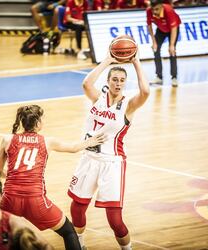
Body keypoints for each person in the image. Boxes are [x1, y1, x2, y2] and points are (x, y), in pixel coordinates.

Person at [67, 51, 150, 250]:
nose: (118, 83)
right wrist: (108, 60)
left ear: (125, 83)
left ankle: (127, 249)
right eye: (114, 79)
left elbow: (145, 92)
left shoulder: (128, 106)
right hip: (88, 158)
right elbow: (87, 84)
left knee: (114, 219)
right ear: (109, 80)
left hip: (111, 163)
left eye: (122, 80)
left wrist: (136, 62)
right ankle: (79, 246)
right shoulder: (98, 98)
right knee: (77, 208)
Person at [0, 104, 106, 250]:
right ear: (38, 123)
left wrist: (14, 177)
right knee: (68, 232)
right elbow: (73, 148)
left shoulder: (7, 139)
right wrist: (89, 142)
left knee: (4, 237)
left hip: (9, 199)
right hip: (35, 200)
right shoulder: (47, 141)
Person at [147, 0, 181, 87]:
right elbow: (149, 26)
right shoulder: (149, 11)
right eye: (153, 9)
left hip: (173, 29)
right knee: (155, 49)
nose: (155, 12)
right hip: (161, 29)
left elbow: (174, 28)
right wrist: (154, 41)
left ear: (162, 6)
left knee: (172, 51)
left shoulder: (168, 10)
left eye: (157, 9)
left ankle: (174, 77)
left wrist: (172, 45)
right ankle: (159, 77)